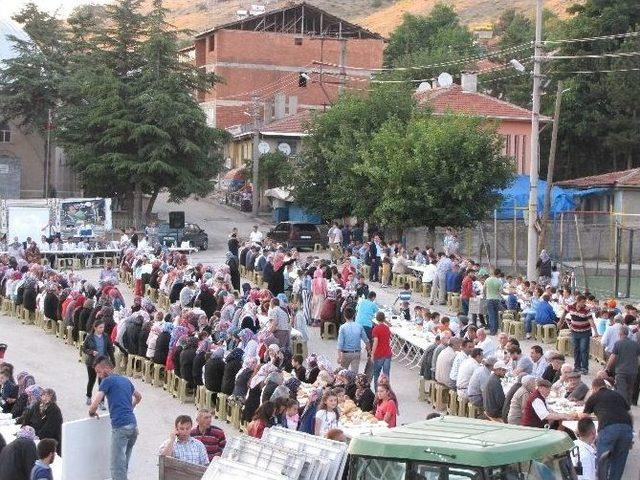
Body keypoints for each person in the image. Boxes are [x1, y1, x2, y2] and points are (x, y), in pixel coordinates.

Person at [88, 356, 142, 480]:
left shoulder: (107, 381)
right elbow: (139, 397)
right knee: (124, 464)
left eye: (98, 372)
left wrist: (91, 413)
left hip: (120, 427)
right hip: (133, 426)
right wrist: (130, 407)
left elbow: (95, 403)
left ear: (106, 368)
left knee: (117, 467)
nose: (99, 376)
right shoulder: (125, 380)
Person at [581, 378, 633, 480]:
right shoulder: (618, 395)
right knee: (619, 462)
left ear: (594, 388)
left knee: (603, 461)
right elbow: (629, 414)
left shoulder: (594, 397)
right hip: (626, 429)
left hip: (609, 429)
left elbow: (584, 416)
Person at [560, 294, 598, 374]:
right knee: (576, 349)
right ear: (578, 301)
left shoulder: (587, 309)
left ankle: (584, 368)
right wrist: (561, 321)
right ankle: (577, 367)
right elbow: (564, 312)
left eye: (585, 302)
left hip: (585, 332)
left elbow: (591, 322)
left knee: (583, 350)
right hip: (574, 332)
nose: (584, 304)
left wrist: (595, 332)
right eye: (583, 302)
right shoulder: (570, 306)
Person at [83, 319, 115, 405]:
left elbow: (110, 349)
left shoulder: (105, 336)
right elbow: (84, 349)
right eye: (100, 327)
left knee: (102, 382)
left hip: (102, 363)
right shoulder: (89, 337)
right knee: (91, 380)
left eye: (103, 327)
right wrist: (91, 352)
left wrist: (112, 361)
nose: (102, 329)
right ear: (95, 327)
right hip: (92, 362)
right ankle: (89, 396)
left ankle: (101, 401)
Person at [605, 325, 640, 404]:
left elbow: (612, 357)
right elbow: (638, 358)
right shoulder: (636, 344)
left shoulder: (618, 344)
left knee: (622, 390)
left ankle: (623, 408)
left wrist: (607, 368)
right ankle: (628, 407)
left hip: (621, 371)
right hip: (633, 371)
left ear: (620, 334)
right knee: (630, 390)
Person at [21, 389, 62, 455]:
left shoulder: (54, 410)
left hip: (48, 440)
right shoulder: (37, 404)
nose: (45, 398)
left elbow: (48, 428)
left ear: (52, 398)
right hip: (34, 434)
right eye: (43, 395)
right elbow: (28, 417)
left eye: (48, 396)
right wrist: (24, 427)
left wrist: (37, 437)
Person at [337, 307, 370, 373]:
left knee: (343, 374)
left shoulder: (342, 327)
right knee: (354, 374)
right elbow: (366, 340)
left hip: (346, 353)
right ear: (354, 315)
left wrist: (339, 356)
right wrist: (369, 351)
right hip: (356, 353)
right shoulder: (359, 326)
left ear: (344, 316)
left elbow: (340, 343)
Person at [371, 311, 392, 388]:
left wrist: (372, 354)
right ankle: (387, 390)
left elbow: (375, 342)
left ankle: (377, 391)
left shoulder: (375, 329)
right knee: (386, 375)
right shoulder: (387, 328)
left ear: (376, 319)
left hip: (379, 354)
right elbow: (390, 325)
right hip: (387, 353)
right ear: (384, 319)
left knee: (376, 374)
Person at [484, 270, 503, 335]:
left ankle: (492, 331)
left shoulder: (487, 280)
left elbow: (484, 289)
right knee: (496, 315)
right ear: (498, 274)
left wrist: (485, 296)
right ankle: (496, 329)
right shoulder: (499, 281)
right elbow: (500, 292)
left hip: (489, 299)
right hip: (497, 299)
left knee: (491, 315)